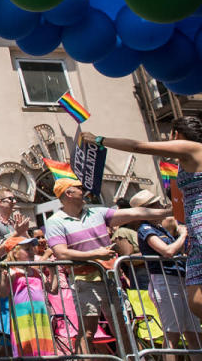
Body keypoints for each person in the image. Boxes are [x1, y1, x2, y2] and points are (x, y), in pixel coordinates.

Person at [45, 176, 172, 361]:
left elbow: (134, 214)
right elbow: (61, 253)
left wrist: (166, 212)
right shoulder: (56, 221)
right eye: (78, 187)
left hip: (110, 277)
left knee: (123, 329)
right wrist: (96, 254)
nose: (83, 189)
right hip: (83, 281)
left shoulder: (98, 212)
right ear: (67, 193)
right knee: (88, 332)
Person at [81, 119, 202, 324]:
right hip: (195, 232)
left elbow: (138, 146)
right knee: (196, 300)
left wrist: (100, 140)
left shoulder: (191, 147)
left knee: (196, 300)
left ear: (175, 134)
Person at [131, 189, 202, 361]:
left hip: (179, 280)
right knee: (172, 335)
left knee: (194, 335)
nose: (161, 207)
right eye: (155, 204)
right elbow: (168, 252)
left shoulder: (159, 228)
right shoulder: (145, 228)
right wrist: (183, 236)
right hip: (164, 282)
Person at [0, 236, 60, 361]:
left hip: (40, 316)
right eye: (27, 249)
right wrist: (4, 278)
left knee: (42, 350)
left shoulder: (36, 271)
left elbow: (52, 289)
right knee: (22, 351)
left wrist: (52, 270)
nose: (32, 251)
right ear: (15, 253)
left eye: (32, 248)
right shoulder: (12, 271)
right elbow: (2, 293)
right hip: (22, 318)